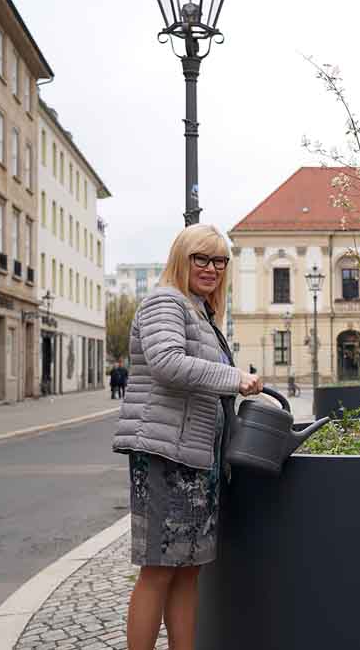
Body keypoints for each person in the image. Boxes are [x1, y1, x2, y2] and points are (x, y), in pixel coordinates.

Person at [112, 223, 262, 650]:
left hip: (194, 457)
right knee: (158, 569)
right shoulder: (166, 301)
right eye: (201, 258)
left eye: (219, 260)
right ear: (181, 257)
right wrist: (235, 378)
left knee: (188, 568)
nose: (211, 268)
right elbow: (168, 364)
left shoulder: (199, 310)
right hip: (164, 456)